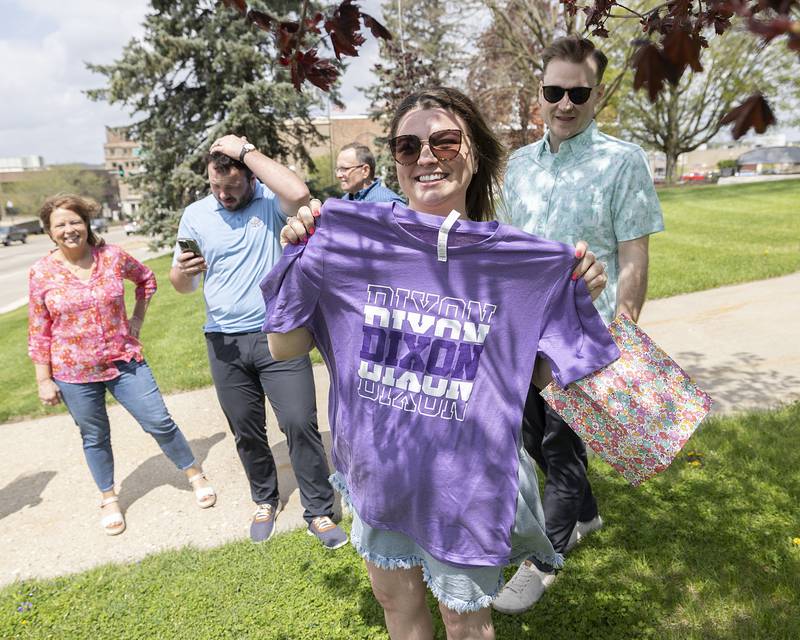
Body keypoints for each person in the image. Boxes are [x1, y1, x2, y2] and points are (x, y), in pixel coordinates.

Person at [265, 87, 616, 640]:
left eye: (444, 140)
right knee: (393, 602)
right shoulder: (349, 241)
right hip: (380, 471)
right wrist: (300, 254)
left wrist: (574, 297)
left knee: (465, 621)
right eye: (408, 146)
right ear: (396, 163)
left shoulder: (523, 260)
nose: (426, 156)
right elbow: (284, 347)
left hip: (464, 488)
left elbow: (544, 378)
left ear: (473, 151)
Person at [493, 35, 665, 614]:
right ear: (538, 92)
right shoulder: (518, 166)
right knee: (532, 437)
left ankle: (544, 559)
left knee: (563, 450)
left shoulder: (623, 162)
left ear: (596, 94)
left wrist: (627, 330)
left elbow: (634, 253)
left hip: (586, 337)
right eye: (553, 91)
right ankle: (587, 515)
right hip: (523, 333)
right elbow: (508, 251)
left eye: (578, 92)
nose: (564, 103)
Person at [168, 135, 346, 549]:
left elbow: (300, 192)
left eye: (231, 187)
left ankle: (319, 510)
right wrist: (183, 270)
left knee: (300, 422)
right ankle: (264, 498)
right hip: (224, 342)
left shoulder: (269, 202)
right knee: (246, 430)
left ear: (249, 179)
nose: (223, 195)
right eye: (215, 187)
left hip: (277, 336)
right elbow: (182, 285)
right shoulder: (195, 215)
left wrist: (245, 150)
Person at [28, 194, 216, 536]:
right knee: (94, 436)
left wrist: (137, 320)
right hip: (74, 372)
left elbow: (147, 279)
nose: (70, 229)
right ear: (50, 232)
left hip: (124, 358)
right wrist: (44, 379)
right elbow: (39, 328)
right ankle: (108, 497)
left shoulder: (112, 257)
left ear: (86, 224)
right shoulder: (41, 272)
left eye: (75, 221)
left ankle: (194, 473)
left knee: (158, 420)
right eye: (61, 225)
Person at [335, 142, 405, 204]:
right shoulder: (344, 203)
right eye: (338, 169)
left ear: (365, 170)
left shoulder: (388, 203)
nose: (338, 175)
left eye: (344, 169)